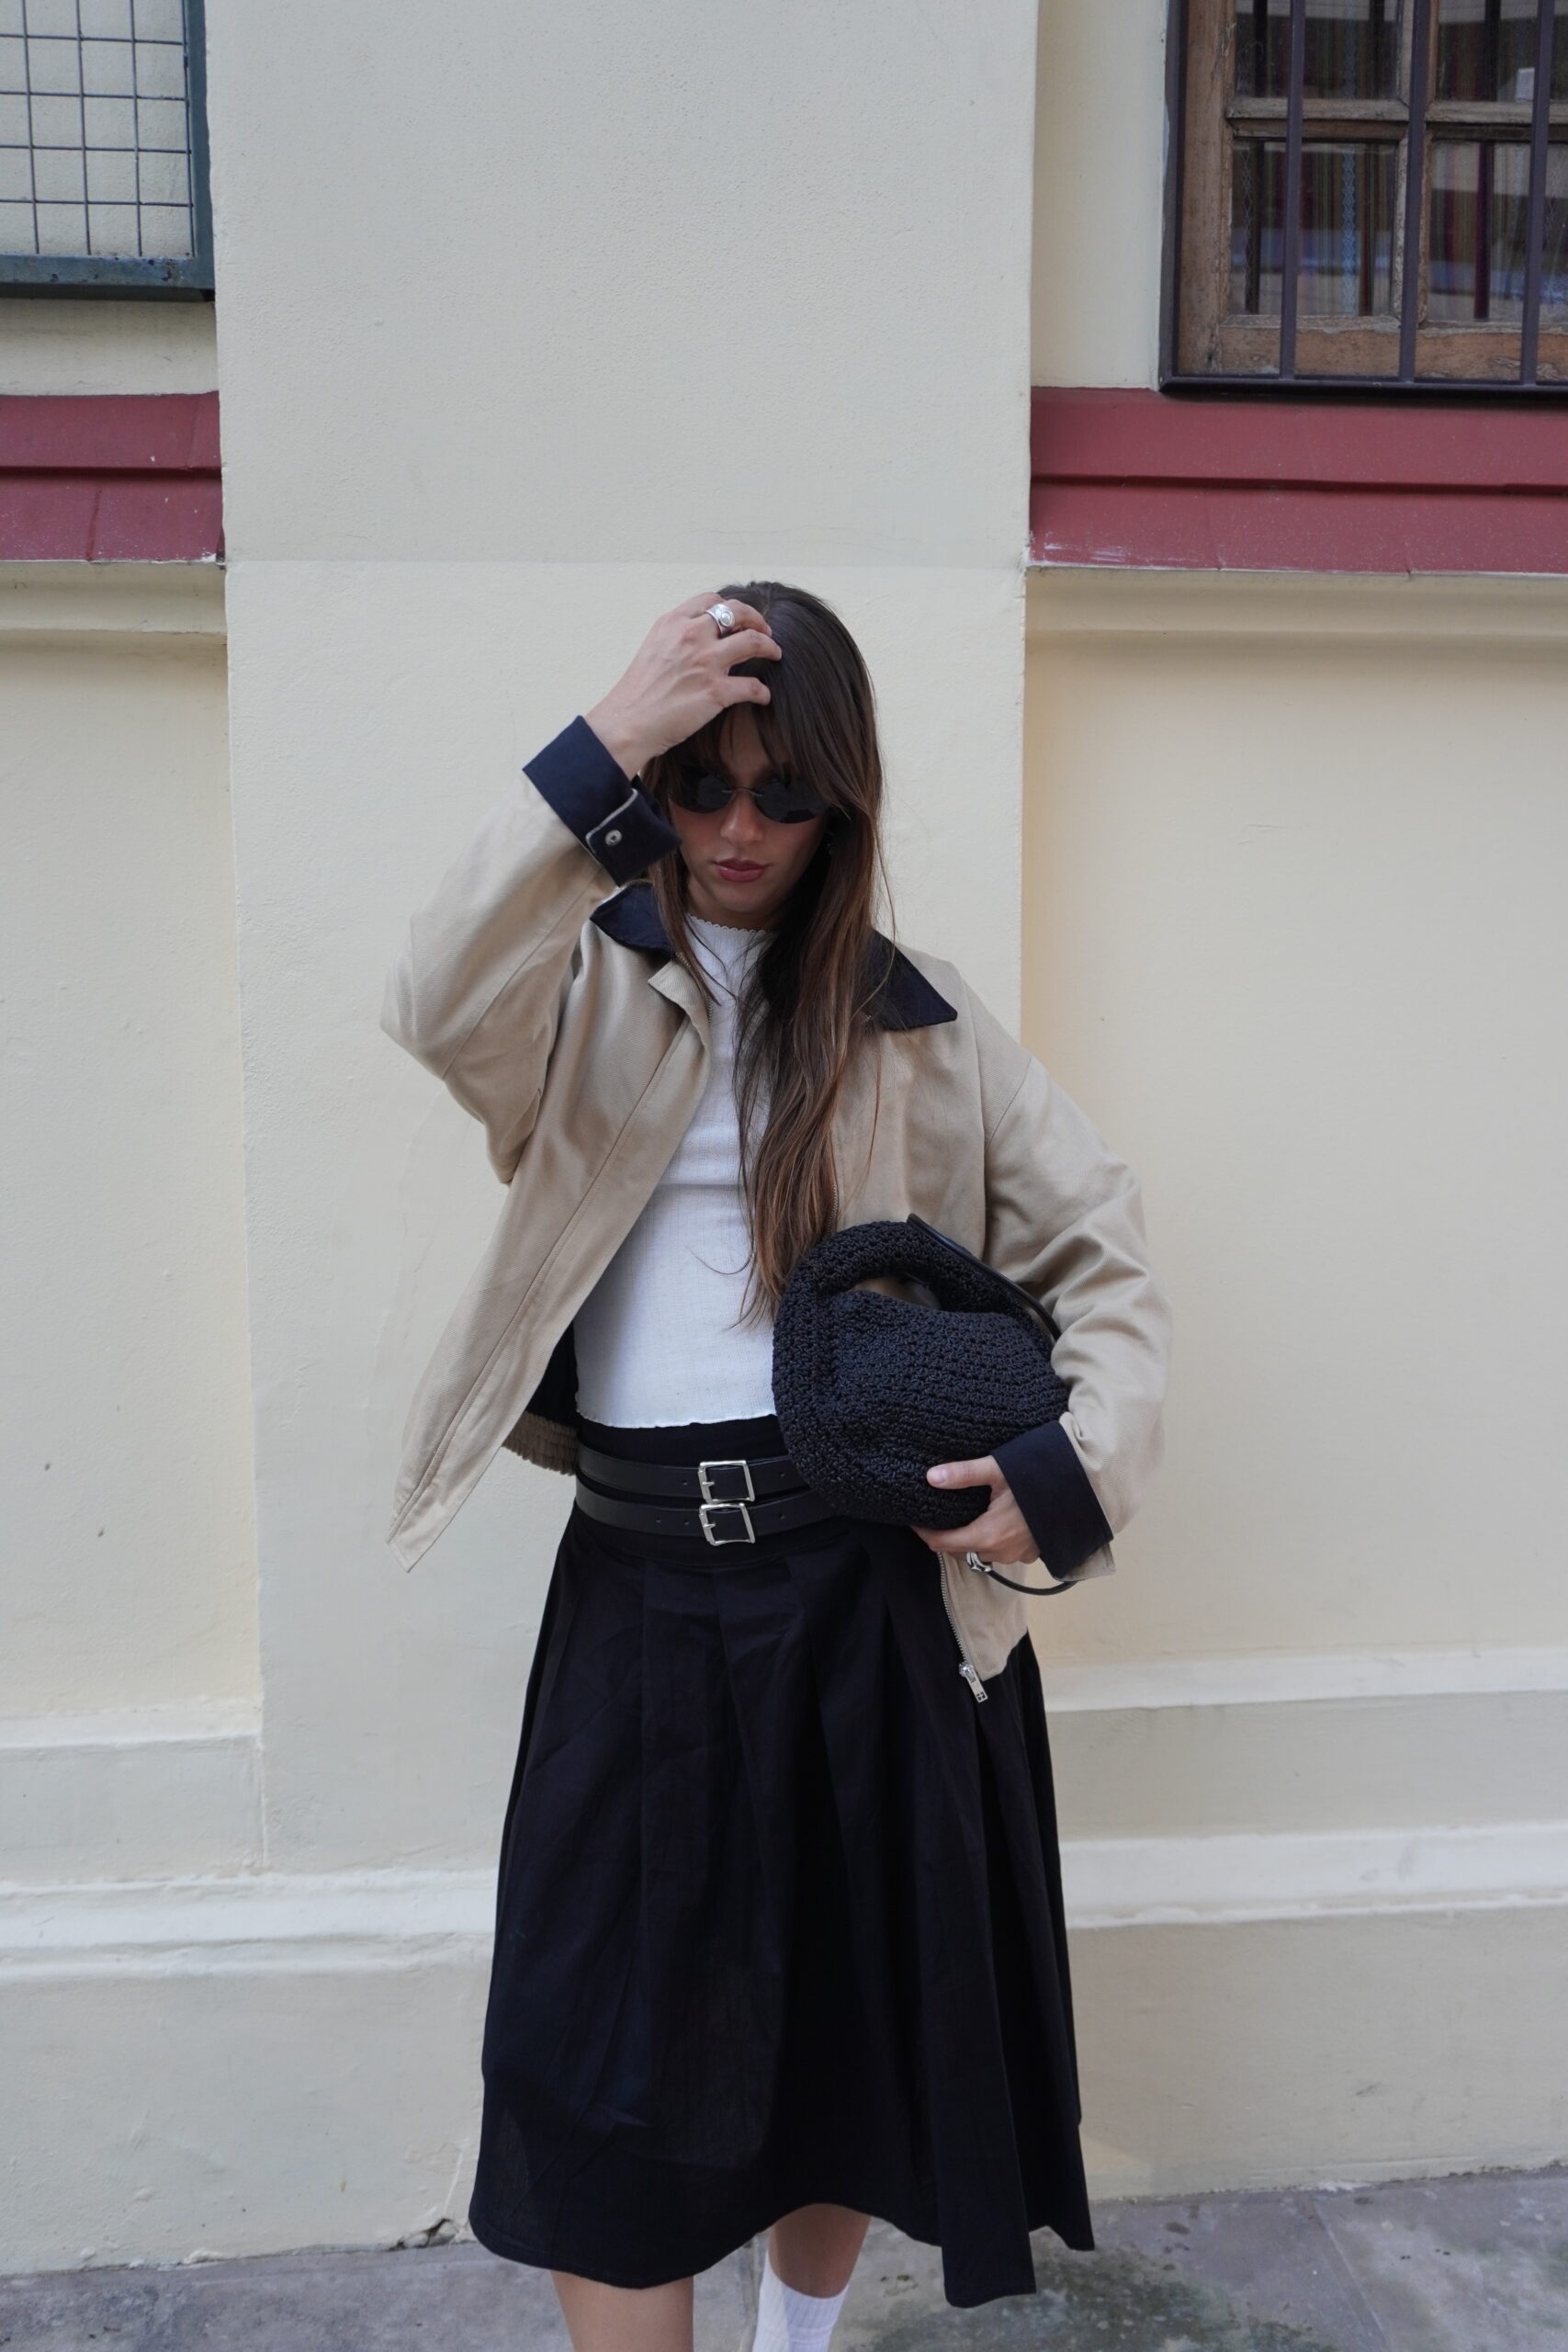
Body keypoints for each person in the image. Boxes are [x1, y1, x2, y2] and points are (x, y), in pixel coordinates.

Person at [380, 584, 1172, 2352]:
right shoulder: (572, 985)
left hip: (867, 1593)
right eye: (703, 784)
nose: (740, 828)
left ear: (843, 806)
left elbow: (1105, 1256)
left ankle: (795, 2347)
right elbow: (429, 996)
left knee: (840, 2036)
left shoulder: (922, 1022)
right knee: (598, 2075)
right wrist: (609, 735)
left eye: (786, 792)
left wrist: (1069, 1469)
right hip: (640, 1593)